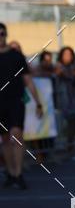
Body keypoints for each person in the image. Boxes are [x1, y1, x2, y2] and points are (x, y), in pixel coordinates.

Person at [0, 22, 43, 189]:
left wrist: (38, 102)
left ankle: (19, 173)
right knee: (4, 139)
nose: (0, 37)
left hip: (16, 101)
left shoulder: (16, 56)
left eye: (2, 33)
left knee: (17, 134)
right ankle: (10, 173)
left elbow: (28, 80)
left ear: (6, 35)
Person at [54, 46, 75, 160]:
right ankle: (67, 147)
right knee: (66, 122)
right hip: (62, 97)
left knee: (74, 121)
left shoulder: (74, 67)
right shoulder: (58, 67)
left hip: (73, 97)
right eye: (65, 54)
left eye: (70, 55)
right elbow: (64, 75)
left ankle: (70, 145)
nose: (68, 57)